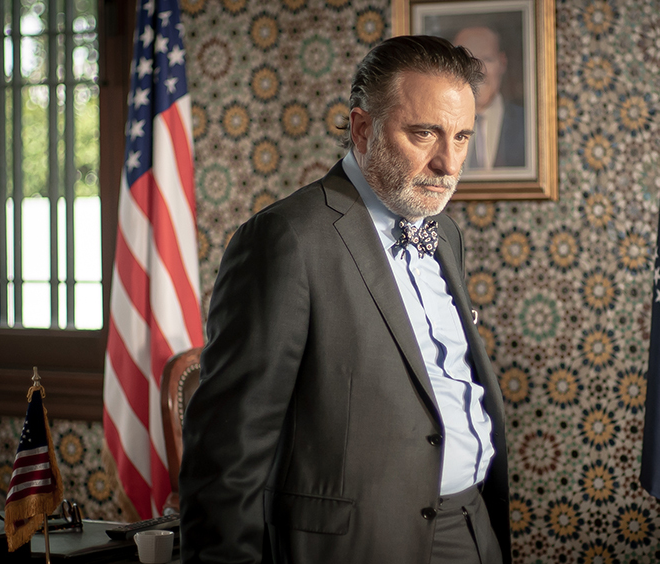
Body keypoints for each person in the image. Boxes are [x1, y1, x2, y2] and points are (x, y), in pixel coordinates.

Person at [179, 35, 511, 564]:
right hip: (357, 544)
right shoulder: (286, 239)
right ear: (362, 129)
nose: (449, 163)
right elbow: (227, 452)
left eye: (462, 136)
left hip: (475, 526)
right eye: (424, 133)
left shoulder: (445, 234)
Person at [452, 26, 525, 169]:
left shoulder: (527, 124)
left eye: (487, 59)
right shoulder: (435, 127)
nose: (478, 70)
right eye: (467, 61)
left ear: (502, 63)